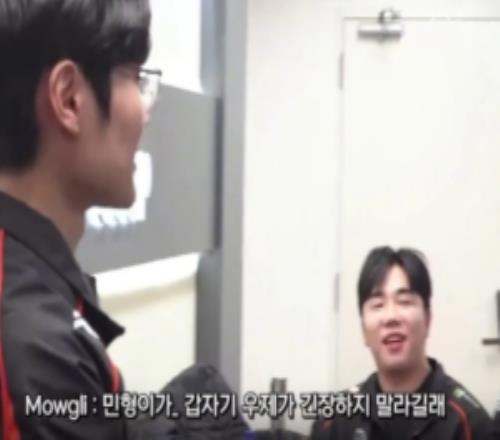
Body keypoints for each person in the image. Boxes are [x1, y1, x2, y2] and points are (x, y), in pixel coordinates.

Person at [0, 1, 248, 439]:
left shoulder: (34, 291)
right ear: (69, 99)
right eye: (134, 77)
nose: (146, 109)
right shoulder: (36, 353)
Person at [311, 246, 491, 440]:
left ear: (428, 319)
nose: (391, 317)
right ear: (363, 329)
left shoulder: (470, 425)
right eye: (378, 305)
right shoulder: (334, 422)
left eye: (404, 301)